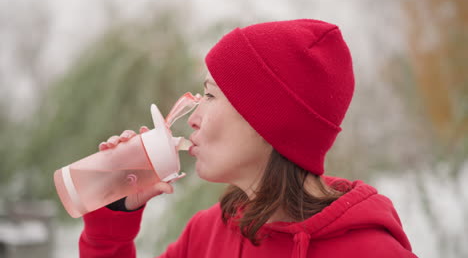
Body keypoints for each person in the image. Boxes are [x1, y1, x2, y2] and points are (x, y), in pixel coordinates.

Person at [79, 19, 418, 258]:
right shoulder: (207, 234)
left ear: (267, 121)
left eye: (210, 96)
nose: (193, 120)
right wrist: (109, 227)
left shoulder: (372, 252)